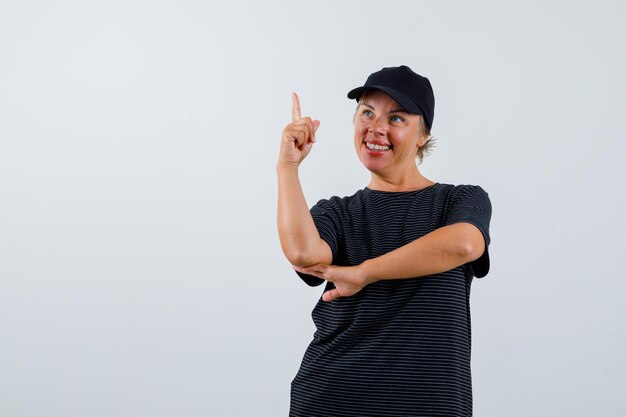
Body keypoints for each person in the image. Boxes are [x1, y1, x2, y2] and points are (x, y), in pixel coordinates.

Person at [276, 65, 492, 417]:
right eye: (367, 112)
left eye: (397, 118)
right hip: (331, 399)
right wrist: (287, 167)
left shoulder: (460, 201)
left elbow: (465, 245)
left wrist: (364, 273)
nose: (376, 127)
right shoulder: (337, 213)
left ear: (423, 135)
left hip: (428, 405)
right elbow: (302, 253)